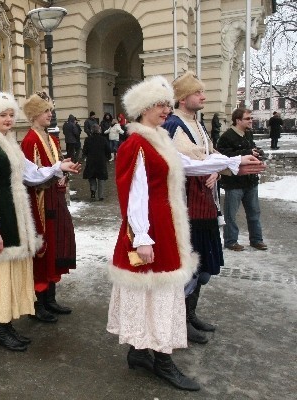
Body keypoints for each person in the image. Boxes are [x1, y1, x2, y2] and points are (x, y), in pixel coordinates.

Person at [108, 75, 264, 391]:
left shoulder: (158, 139)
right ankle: (162, 361)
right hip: (150, 229)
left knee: (157, 290)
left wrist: (232, 163)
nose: (167, 109)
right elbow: (132, 193)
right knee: (159, 290)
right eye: (161, 104)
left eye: (168, 103)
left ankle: (140, 353)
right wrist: (141, 237)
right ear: (144, 108)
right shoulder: (136, 144)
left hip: (166, 226)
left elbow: (190, 166)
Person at [0, 92, 80, 352]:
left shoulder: (9, 144)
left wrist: (58, 168)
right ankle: (0, 329)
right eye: (3, 115)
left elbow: (32, 173)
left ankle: (8, 324)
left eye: (11, 114)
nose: (9, 119)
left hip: (15, 218)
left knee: (12, 273)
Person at [162, 71, 228, 344]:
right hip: (188, 210)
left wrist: (218, 171)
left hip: (207, 207)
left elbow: (212, 158)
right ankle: (180, 320)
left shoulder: (199, 125)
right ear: (183, 97)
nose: (203, 96)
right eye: (198, 92)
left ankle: (190, 315)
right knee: (189, 267)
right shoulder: (173, 125)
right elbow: (169, 168)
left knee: (204, 268)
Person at [21, 92, 76, 323]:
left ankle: (50, 298)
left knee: (55, 246)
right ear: (34, 114)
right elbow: (30, 177)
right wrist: (57, 171)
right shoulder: (30, 140)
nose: (50, 114)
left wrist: (66, 170)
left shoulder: (52, 138)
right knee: (42, 249)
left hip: (56, 198)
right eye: (46, 111)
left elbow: (56, 166)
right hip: (40, 203)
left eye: (50, 110)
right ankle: (38, 302)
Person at [217, 108, 268, 252]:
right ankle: (231, 241)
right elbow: (223, 155)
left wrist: (257, 153)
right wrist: (246, 152)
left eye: (251, 118)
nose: (251, 121)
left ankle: (257, 240)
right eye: (247, 118)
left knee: (254, 213)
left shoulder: (248, 134)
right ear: (238, 120)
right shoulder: (227, 136)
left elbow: (250, 150)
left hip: (250, 181)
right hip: (234, 183)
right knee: (231, 215)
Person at [82, 122, 111, 201]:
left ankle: (93, 191)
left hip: (91, 161)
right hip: (101, 161)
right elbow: (108, 150)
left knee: (92, 177)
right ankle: (101, 195)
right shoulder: (103, 139)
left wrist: (85, 156)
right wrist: (108, 157)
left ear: (91, 130)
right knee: (101, 178)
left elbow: (84, 151)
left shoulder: (88, 139)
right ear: (99, 130)